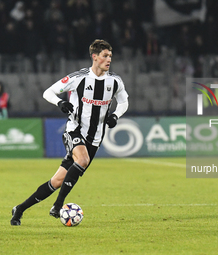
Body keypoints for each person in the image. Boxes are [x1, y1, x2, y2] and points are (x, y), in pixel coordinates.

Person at [10, 39, 129, 225]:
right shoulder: (78, 78)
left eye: (110, 56)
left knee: (57, 181)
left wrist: (115, 116)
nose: (109, 60)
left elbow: (124, 102)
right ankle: (58, 206)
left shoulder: (114, 82)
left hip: (95, 139)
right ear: (94, 57)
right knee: (82, 160)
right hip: (74, 131)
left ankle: (19, 209)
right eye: (105, 56)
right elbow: (48, 92)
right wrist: (60, 102)